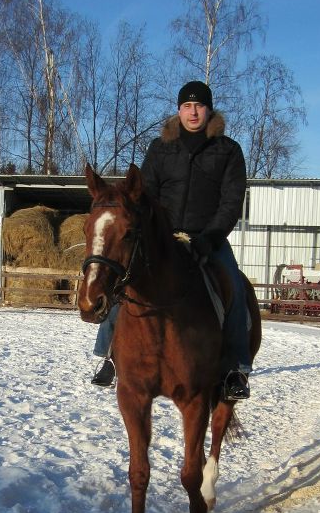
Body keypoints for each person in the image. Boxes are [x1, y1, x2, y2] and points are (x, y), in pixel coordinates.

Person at [90, 79, 252, 400]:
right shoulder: (160, 148)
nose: (193, 112)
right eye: (187, 106)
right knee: (125, 281)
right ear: (179, 111)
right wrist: (154, 234)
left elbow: (231, 202)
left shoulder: (228, 150)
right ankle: (109, 355)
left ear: (209, 110)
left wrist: (209, 238)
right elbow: (144, 196)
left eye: (199, 106)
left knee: (234, 286)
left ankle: (236, 367)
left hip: (209, 239)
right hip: (164, 239)